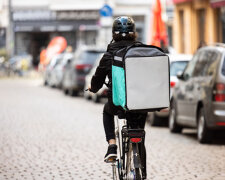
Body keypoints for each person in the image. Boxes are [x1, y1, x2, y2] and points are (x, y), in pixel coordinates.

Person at [88, 16, 147, 176]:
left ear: (113, 34)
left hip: (118, 104)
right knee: (139, 133)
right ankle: (143, 171)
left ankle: (112, 146)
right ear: (134, 33)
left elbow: (97, 80)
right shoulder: (142, 52)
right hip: (140, 104)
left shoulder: (109, 55)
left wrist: (92, 88)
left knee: (107, 112)